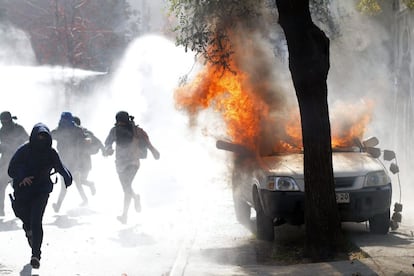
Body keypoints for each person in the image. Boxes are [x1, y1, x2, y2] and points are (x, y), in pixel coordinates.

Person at [8, 122, 72, 269]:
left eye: (45, 137)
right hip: (23, 191)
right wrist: (22, 176)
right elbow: (11, 169)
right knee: (24, 217)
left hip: (41, 191)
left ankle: (36, 255)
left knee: (36, 220)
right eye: (39, 136)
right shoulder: (24, 150)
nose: (41, 140)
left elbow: (61, 167)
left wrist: (67, 177)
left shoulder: (51, 152)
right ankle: (29, 231)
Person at [104, 111, 160, 224]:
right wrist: (108, 149)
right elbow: (108, 143)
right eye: (119, 122)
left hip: (133, 163)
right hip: (120, 164)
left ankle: (124, 215)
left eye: (121, 122)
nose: (120, 124)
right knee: (126, 188)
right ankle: (135, 198)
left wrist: (154, 151)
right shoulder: (114, 131)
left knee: (127, 187)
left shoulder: (136, 131)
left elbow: (147, 142)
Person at [51, 112, 89, 212]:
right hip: (68, 161)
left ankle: (58, 206)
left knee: (66, 185)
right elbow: (49, 136)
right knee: (75, 183)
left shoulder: (62, 129)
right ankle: (84, 200)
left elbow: (49, 136)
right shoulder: (75, 129)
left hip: (68, 161)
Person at [0, 111, 29, 216]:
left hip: (18, 162)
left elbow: (28, 142)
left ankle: (22, 208)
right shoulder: (1, 131)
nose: (4, 123)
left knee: (19, 186)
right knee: (1, 186)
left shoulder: (19, 129)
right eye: (2, 122)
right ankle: (1, 210)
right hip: (5, 163)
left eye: (5, 121)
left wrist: (18, 143)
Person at [73, 116, 104, 196]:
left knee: (80, 180)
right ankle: (88, 190)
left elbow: (98, 142)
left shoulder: (85, 132)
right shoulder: (72, 133)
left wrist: (104, 151)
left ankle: (90, 187)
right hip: (77, 161)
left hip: (84, 161)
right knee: (78, 180)